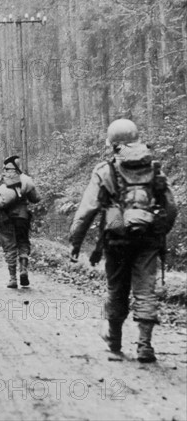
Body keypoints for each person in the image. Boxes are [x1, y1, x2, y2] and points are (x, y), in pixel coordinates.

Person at [69, 119, 177, 362]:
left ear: (113, 144)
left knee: (117, 289)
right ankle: (145, 345)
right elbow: (171, 207)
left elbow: (86, 211)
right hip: (148, 239)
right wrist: (159, 232)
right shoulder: (154, 168)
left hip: (116, 239)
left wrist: (75, 243)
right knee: (145, 289)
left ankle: (115, 339)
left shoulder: (104, 171)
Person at [0, 156, 40, 287]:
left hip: (4, 218)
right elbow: (36, 198)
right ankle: (23, 269)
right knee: (23, 242)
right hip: (22, 217)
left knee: (9, 246)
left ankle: (13, 278)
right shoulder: (25, 180)